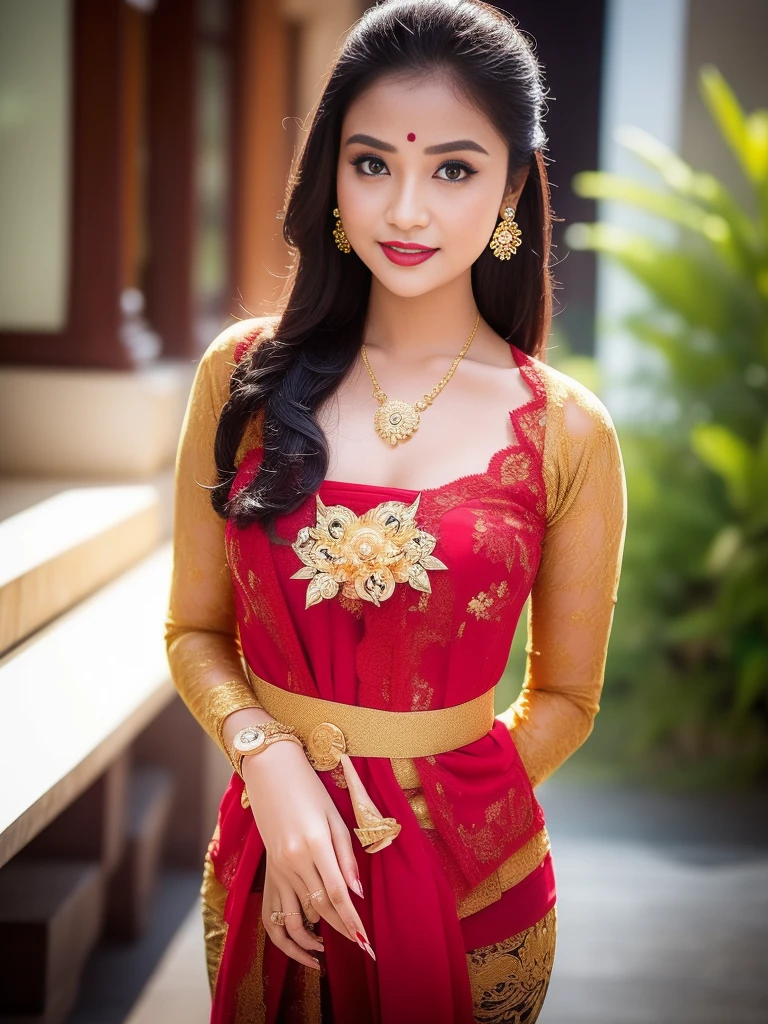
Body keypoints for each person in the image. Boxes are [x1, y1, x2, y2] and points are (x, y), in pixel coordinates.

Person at [164, 1, 627, 1021]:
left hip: (474, 887)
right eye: (373, 163)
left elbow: (568, 699)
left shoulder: (565, 431)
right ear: (332, 173)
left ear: (511, 186)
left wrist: (425, 819)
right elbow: (194, 629)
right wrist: (271, 758)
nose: (405, 209)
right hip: (270, 864)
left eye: (453, 170)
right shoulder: (242, 377)